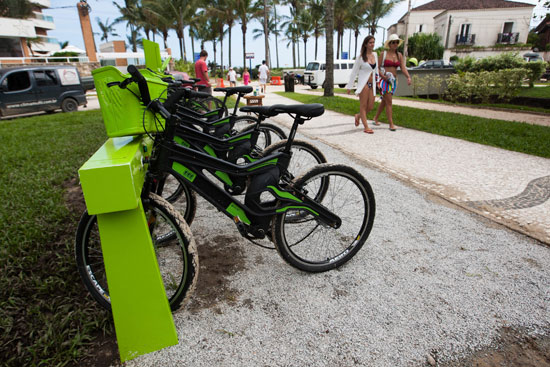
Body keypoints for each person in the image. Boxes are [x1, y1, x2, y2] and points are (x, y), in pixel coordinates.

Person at [373, 34, 412, 131]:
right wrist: (383, 76)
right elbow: (377, 68)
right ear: (389, 44)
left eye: (397, 42)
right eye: (393, 42)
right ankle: (391, 124)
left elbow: (403, 68)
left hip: (393, 81)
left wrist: (408, 77)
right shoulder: (383, 54)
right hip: (384, 81)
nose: (395, 44)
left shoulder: (399, 55)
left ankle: (375, 118)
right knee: (389, 101)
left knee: (385, 101)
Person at [345, 35, 379, 134]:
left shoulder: (375, 55)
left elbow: (376, 70)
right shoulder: (360, 57)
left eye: (373, 42)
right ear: (365, 44)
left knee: (371, 106)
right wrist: (349, 86)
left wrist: (378, 82)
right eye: (370, 42)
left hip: (372, 84)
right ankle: (366, 127)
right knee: (363, 106)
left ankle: (358, 116)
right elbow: (354, 72)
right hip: (363, 84)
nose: (372, 44)